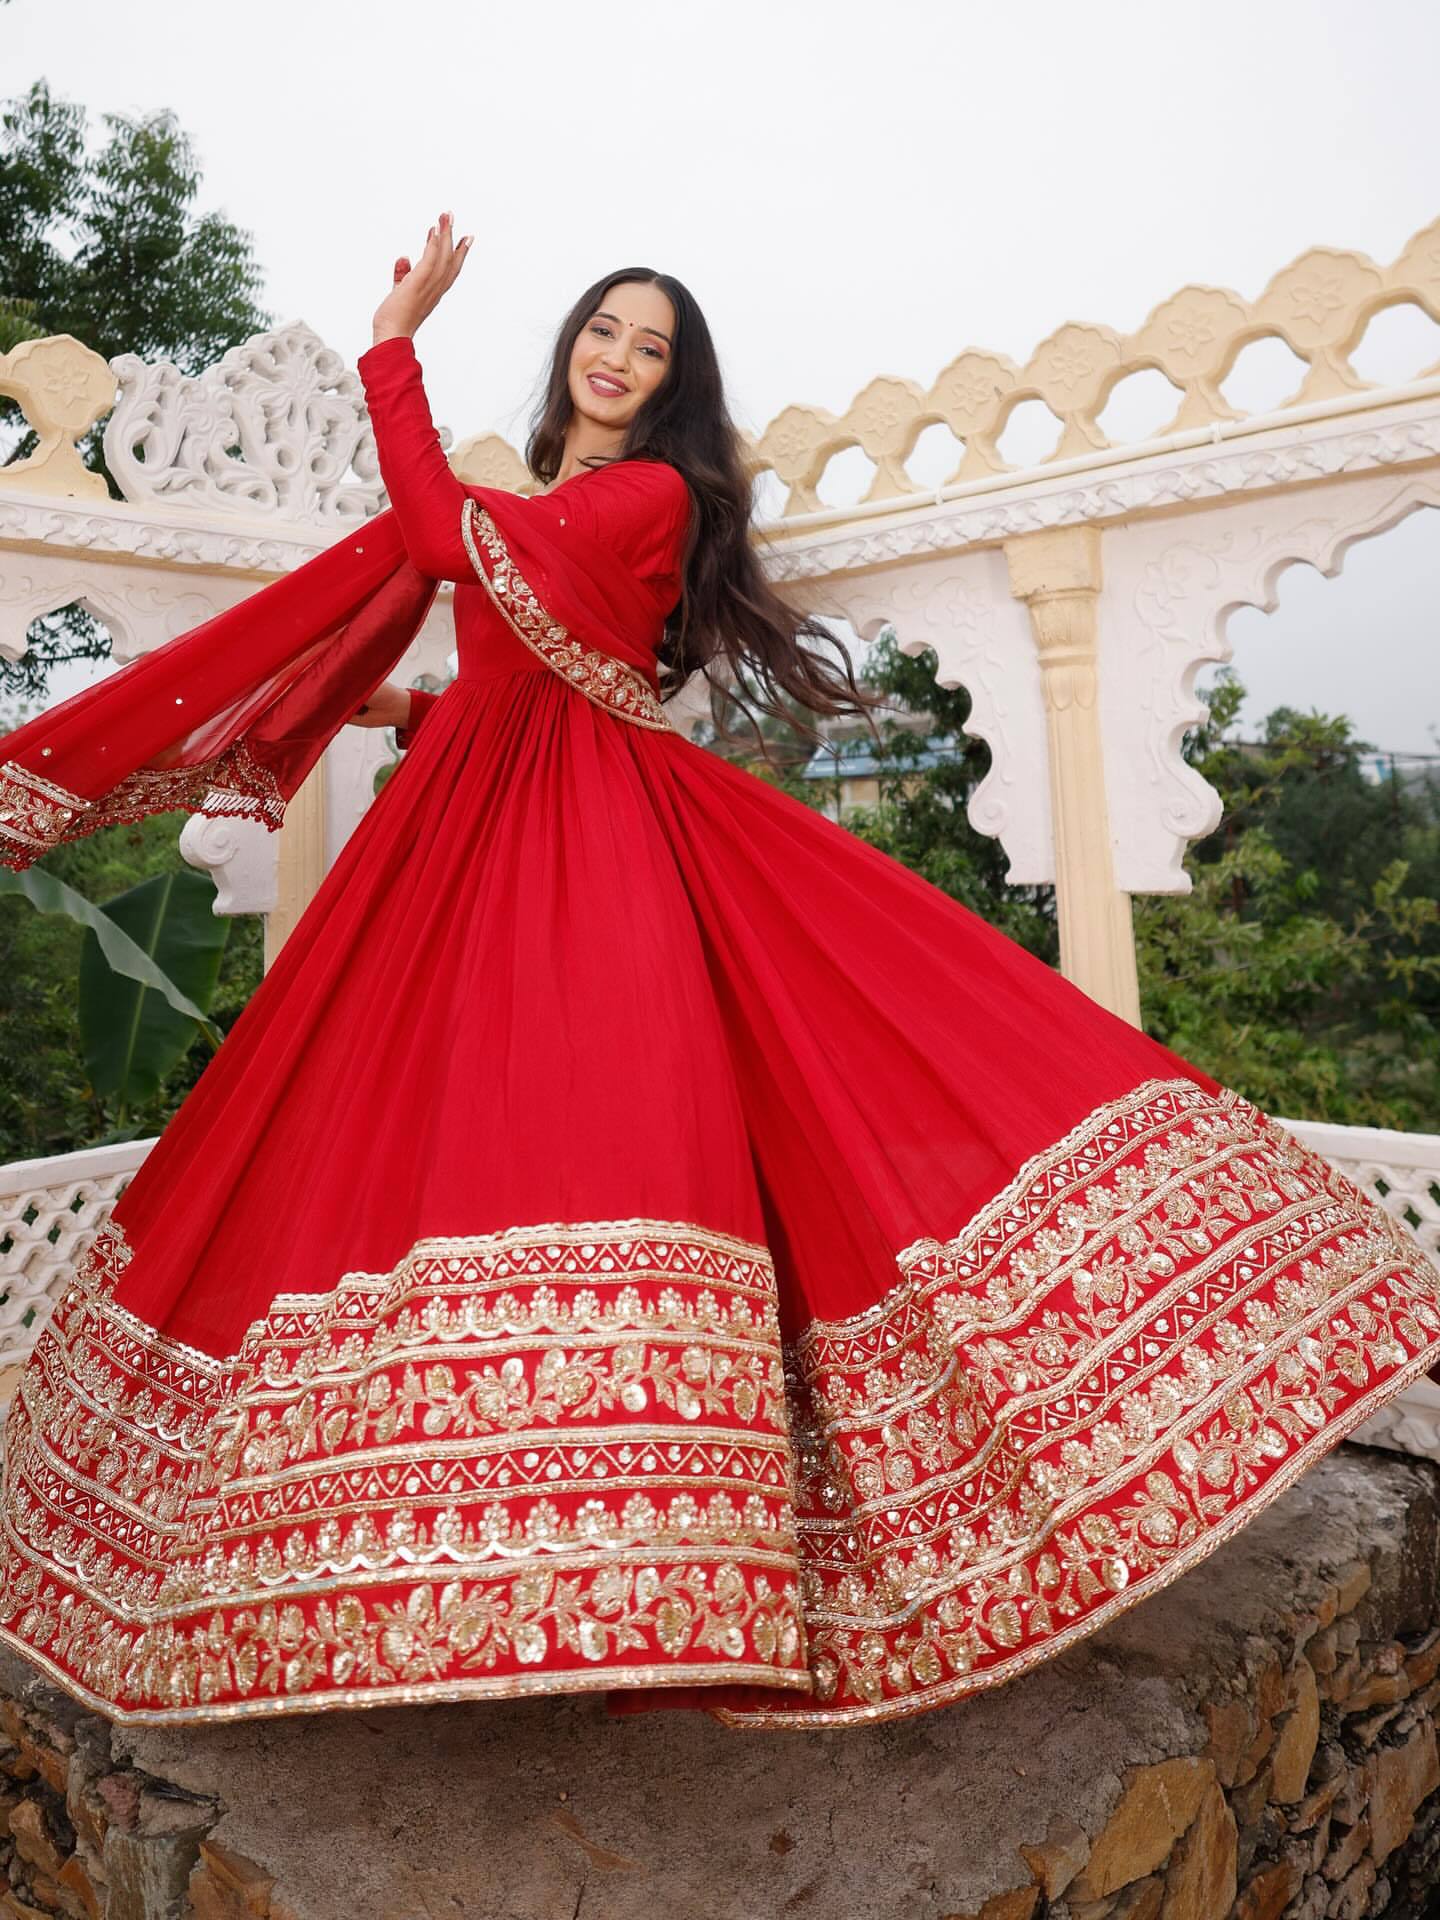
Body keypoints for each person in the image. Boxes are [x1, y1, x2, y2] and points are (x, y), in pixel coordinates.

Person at [1, 217, 1437, 1733]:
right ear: (569, 347)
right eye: (602, 331)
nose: (616, 358)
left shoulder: (651, 494)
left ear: (674, 387)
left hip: (585, 829)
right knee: (417, 1149)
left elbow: (437, 542)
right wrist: (425, 705)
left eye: (651, 346)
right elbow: (517, 640)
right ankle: (450, 1542)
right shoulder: (552, 504)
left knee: (625, 1123)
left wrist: (391, 343)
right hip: (474, 817)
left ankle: (657, 1546)